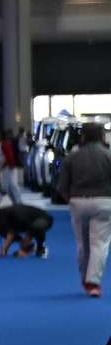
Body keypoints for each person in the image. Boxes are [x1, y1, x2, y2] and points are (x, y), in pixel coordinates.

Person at [67, 122, 111, 300]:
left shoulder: (72, 156)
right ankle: (93, 282)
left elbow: (62, 185)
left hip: (78, 201)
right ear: (102, 137)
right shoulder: (108, 155)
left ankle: (85, 278)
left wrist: (70, 199)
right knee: (99, 243)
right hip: (104, 202)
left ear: (83, 137)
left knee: (82, 244)